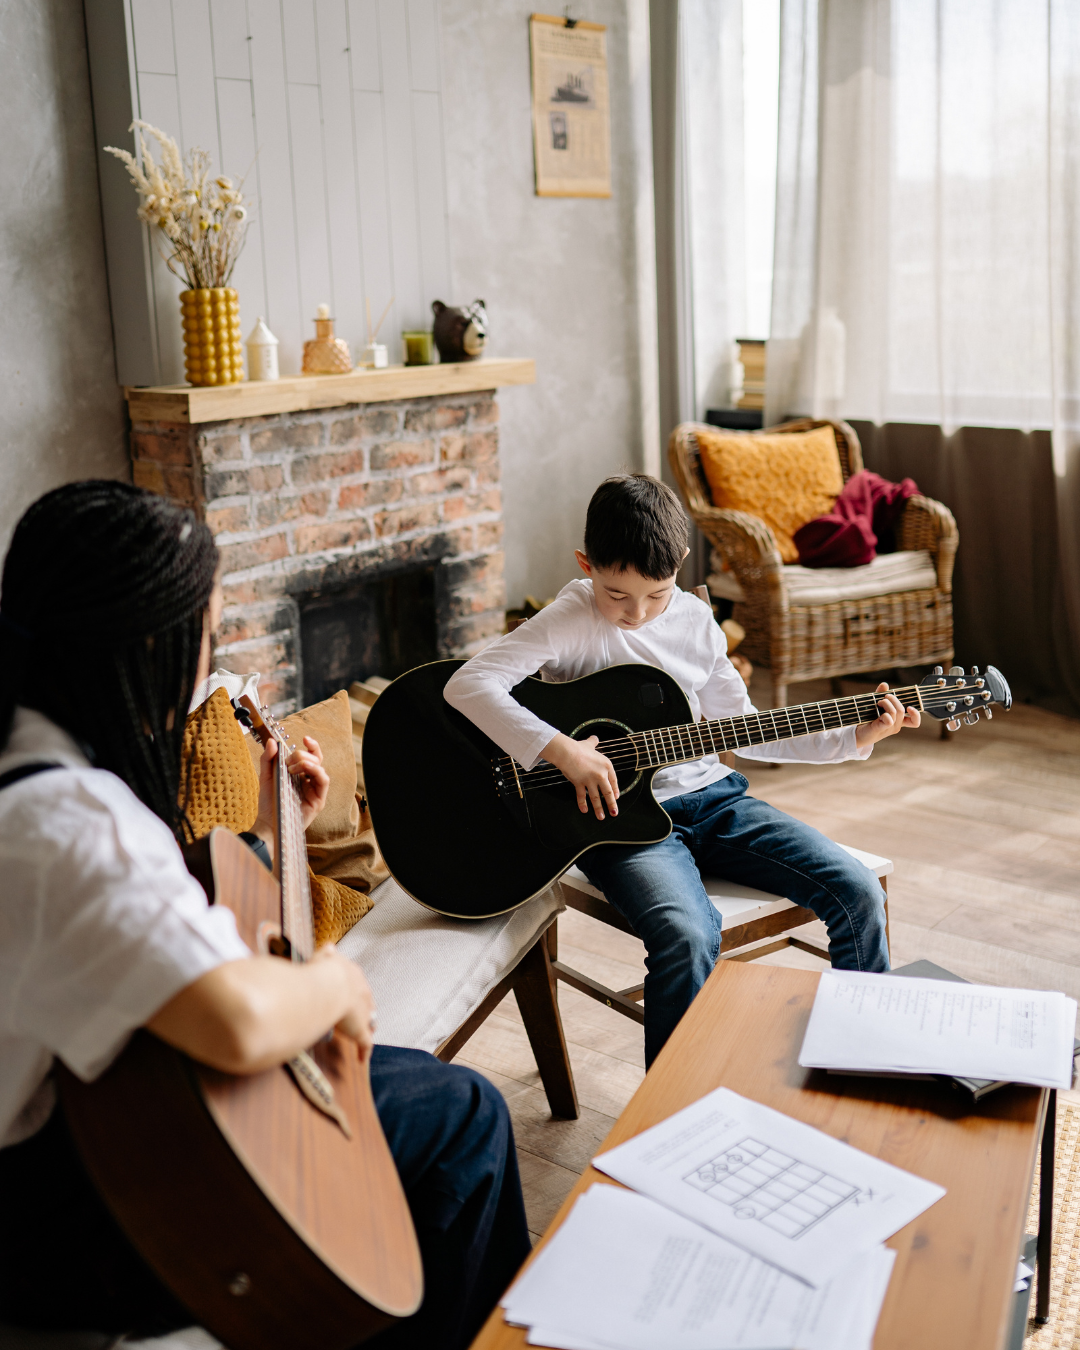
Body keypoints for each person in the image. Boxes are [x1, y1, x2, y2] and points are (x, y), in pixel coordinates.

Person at [0, 481, 529, 1348]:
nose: (206, 671)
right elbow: (239, 1022)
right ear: (149, 649)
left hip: (75, 1126)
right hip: (63, 1219)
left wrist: (267, 826)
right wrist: (335, 983)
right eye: (203, 640)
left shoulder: (34, 752)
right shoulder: (69, 826)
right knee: (465, 1114)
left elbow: (124, 920)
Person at [446, 474, 919, 1068]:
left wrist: (854, 737)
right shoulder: (570, 616)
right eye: (617, 594)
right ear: (586, 565)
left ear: (681, 563)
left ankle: (866, 1061)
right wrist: (561, 750)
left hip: (715, 800)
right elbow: (469, 683)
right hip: (619, 823)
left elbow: (749, 729)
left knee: (858, 892)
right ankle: (668, 1108)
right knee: (689, 934)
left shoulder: (696, 621)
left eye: (657, 593)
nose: (637, 613)